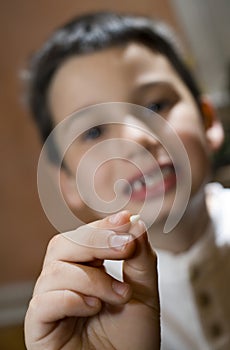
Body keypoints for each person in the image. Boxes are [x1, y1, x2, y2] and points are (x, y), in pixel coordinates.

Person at [24, 11, 230, 350]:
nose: (136, 139)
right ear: (69, 181)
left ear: (208, 121)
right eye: (93, 131)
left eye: (157, 104)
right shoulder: (84, 307)